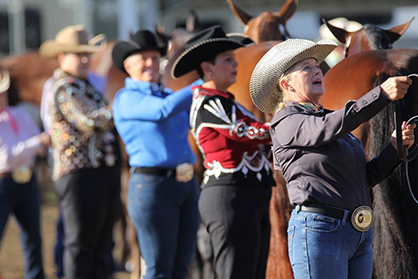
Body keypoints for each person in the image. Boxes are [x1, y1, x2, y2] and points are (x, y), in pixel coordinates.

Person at [249, 38, 415, 278]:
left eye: (317, 65)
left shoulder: (331, 120)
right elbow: (329, 126)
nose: (317, 70)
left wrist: (393, 147)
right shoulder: (285, 121)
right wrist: (381, 94)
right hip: (319, 230)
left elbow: (365, 178)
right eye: (306, 67)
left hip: (357, 232)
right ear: (286, 84)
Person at [171, 25, 275, 279]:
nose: (235, 64)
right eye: (228, 60)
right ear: (207, 68)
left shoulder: (228, 102)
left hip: (248, 196)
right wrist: (291, 124)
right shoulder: (208, 103)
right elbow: (247, 133)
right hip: (230, 197)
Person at [111, 29, 201, 279]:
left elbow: (190, 121)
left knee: (181, 269)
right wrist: (203, 82)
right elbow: (162, 111)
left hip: (185, 184)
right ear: (128, 66)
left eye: (154, 58)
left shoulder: (169, 95)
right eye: (144, 58)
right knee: (159, 270)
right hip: (153, 186)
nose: (151, 63)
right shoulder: (126, 98)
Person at [39, 25, 122, 279]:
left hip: (97, 172)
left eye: (87, 54)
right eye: (79, 55)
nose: (85, 59)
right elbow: (88, 120)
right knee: (80, 244)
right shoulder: (64, 87)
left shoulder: (85, 85)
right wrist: (125, 106)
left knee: (100, 244)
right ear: (62, 57)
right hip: (79, 174)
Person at [0, 70, 50, 279]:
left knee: (33, 238)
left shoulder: (19, 115)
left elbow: (36, 145)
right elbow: (5, 158)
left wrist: (32, 146)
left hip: (26, 180)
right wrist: (34, 145)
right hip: (3, 182)